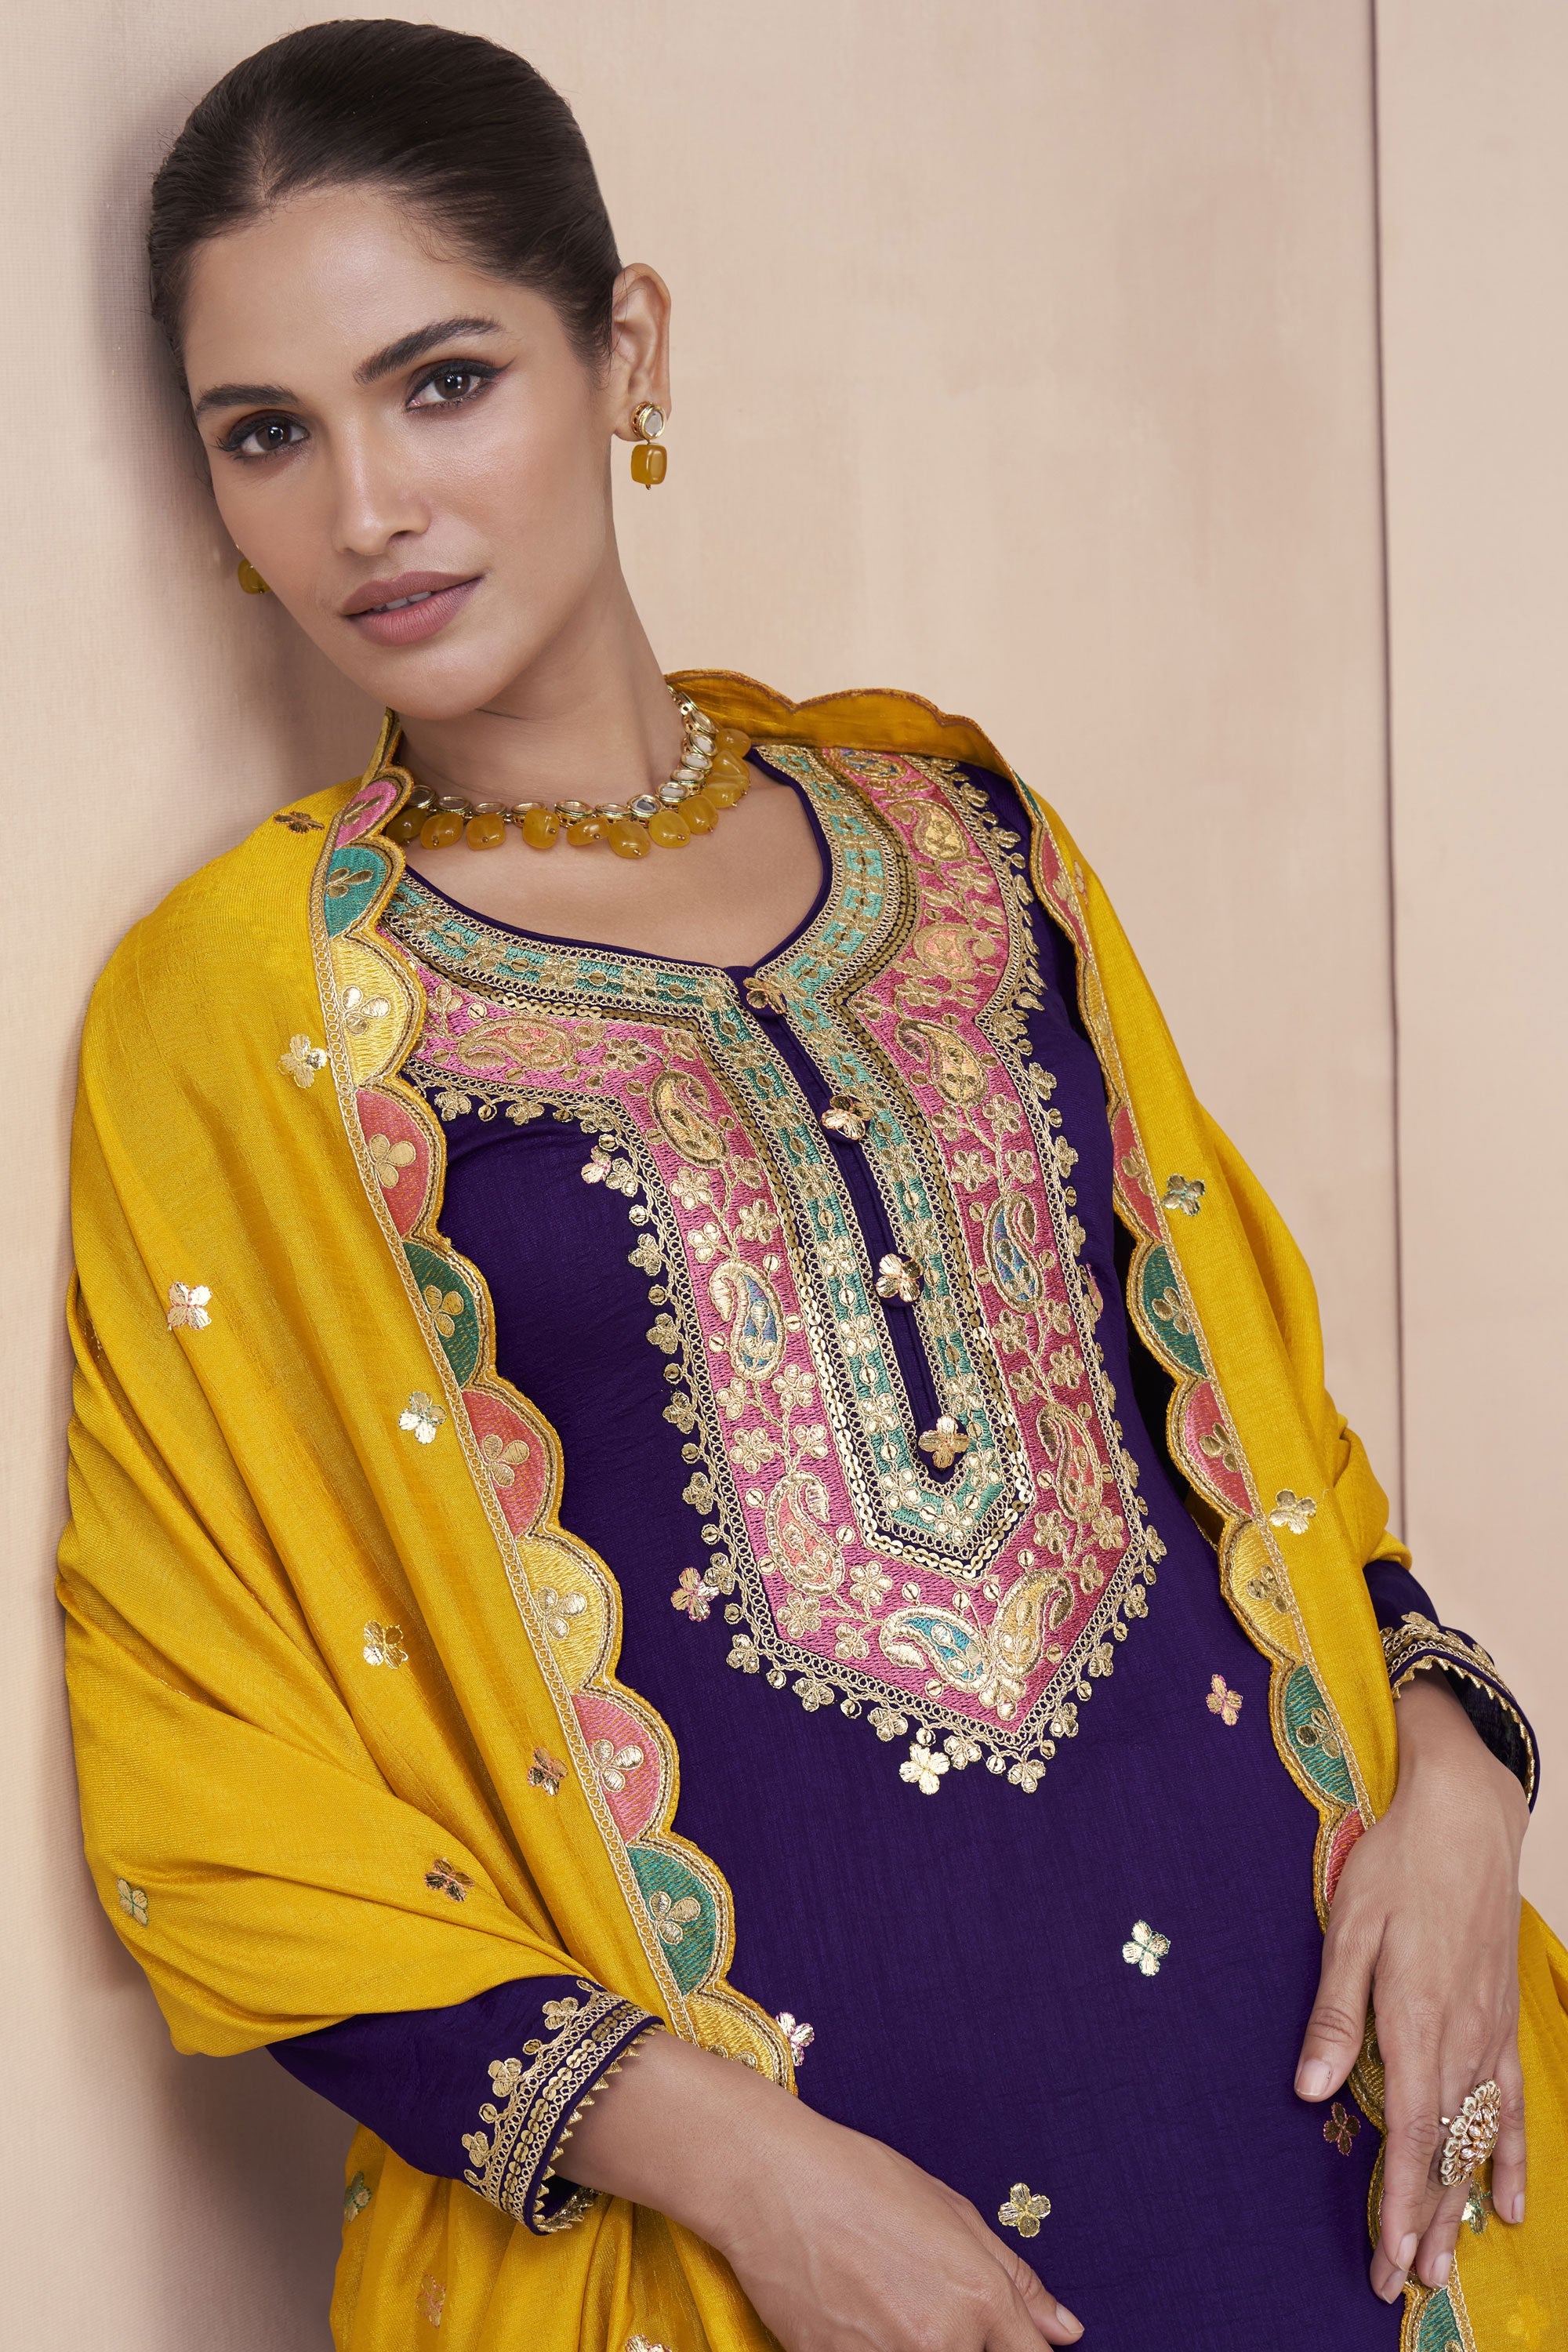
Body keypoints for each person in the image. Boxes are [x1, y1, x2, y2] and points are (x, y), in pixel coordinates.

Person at [60, 20, 1566, 2352]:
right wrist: (753, 2179)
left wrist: (1465, 1766)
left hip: (1332, 2142)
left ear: (626, 348)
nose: (365, 507)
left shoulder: (968, 836)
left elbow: (1246, 1444)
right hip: (783, 2264)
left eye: (442, 383)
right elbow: (217, 1785)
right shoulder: (244, 1017)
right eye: (269, 432)